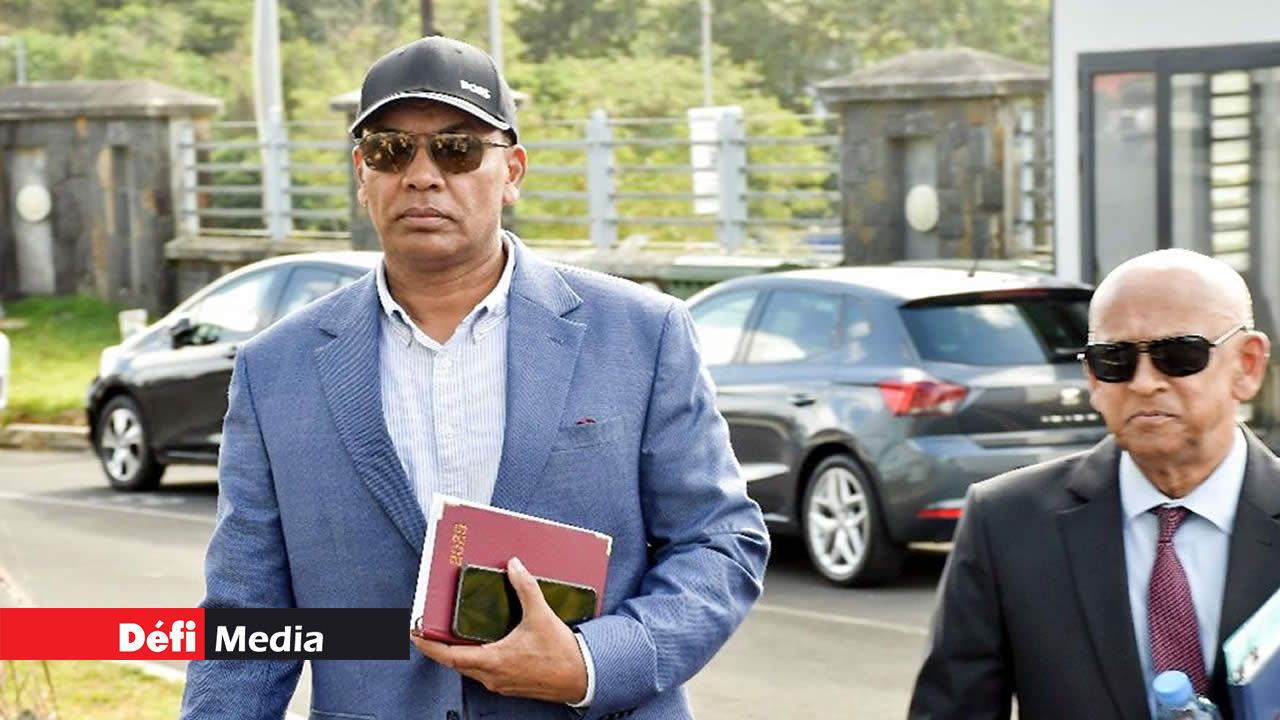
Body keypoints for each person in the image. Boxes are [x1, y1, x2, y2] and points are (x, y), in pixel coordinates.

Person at [181, 36, 769, 720]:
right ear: (362, 174)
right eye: (391, 150)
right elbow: (247, 618)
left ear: (512, 171)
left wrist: (594, 663)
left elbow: (719, 540)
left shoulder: (642, 333)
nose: (422, 175)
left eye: (456, 150)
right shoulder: (274, 370)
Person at [909, 248, 1280, 720]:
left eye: (1179, 355)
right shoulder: (1006, 523)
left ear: (1247, 365)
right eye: (1114, 360)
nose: (1144, 383)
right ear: (1093, 379)